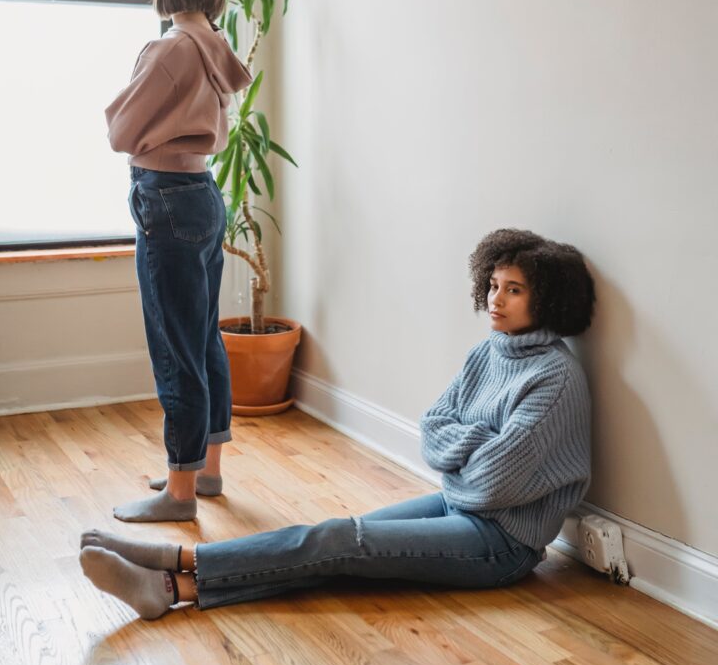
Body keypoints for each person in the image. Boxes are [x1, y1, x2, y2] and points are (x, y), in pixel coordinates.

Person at [80, 227, 595, 616]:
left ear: (547, 302)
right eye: (494, 284)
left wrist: (466, 454)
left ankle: (172, 570)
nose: (495, 299)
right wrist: (478, 443)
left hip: (503, 545)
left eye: (514, 291)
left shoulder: (554, 380)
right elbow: (433, 431)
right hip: (457, 505)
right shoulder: (490, 351)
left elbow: (490, 483)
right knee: (332, 540)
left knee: (338, 546)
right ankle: (170, 576)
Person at [104, 0, 251, 524]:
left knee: (175, 347)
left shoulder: (169, 49)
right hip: (201, 194)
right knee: (202, 336)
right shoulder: (212, 42)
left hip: (165, 197)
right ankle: (206, 470)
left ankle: (180, 493)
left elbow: (119, 132)